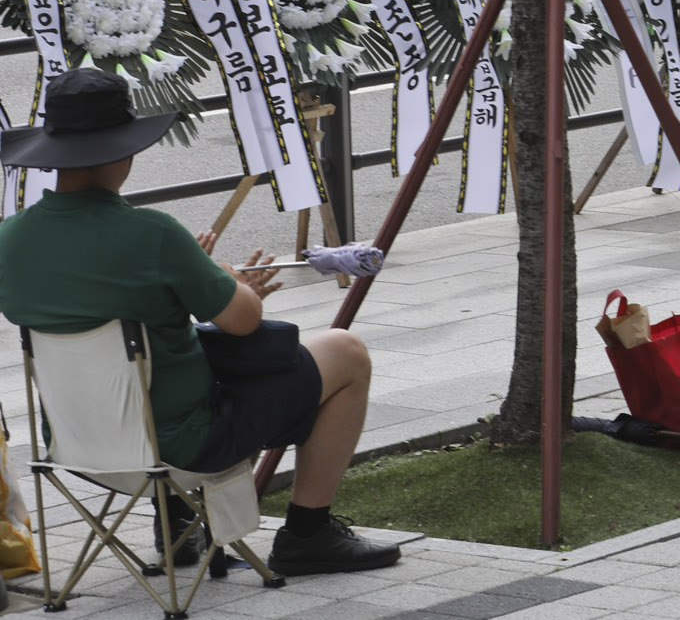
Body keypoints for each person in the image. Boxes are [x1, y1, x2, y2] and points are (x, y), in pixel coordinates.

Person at [0, 68, 402, 576]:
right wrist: (230, 284)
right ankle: (307, 535)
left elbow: (106, 313)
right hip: (182, 447)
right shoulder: (152, 234)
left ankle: (177, 519)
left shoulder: (9, 238)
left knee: (178, 369)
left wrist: (200, 287)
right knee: (345, 353)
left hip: (76, 445)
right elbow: (242, 323)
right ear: (123, 151)